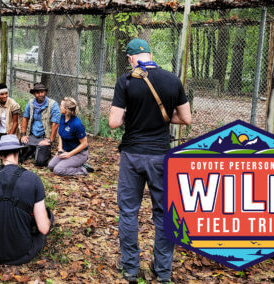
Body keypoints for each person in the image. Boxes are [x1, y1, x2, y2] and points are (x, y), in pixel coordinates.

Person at [109, 38, 191, 283]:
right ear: (150, 55)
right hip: (161, 156)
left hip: (133, 155)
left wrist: (130, 114)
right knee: (165, 213)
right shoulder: (172, 80)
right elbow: (185, 118)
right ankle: (163, 271)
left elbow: (114, 122)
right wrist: (162, 118)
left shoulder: (125, 81)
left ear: (131, 58)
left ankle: (131, 269)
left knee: (128, 212)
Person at [0, 135, 53, 264]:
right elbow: (44, 229)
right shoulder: (34, 179)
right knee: (48, 216)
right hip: (22, 254)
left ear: (0, 154)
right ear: (19, 151)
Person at [48, 97, 91, 176]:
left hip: (79, 154)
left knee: (58, 170)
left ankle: (83, 169)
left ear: (67, 109)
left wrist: (69, 154)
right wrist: (60, 148)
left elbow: (84, 144)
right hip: (66, 150)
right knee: (51, 166)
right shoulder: (62, 117)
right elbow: (61, 134)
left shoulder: (77, 124)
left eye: (61, 106)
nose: (59, 107)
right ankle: (69, 164)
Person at [20, 82, 60, 166]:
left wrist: (50, 140)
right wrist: (23, 135)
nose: (40, 94)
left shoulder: (53, 104)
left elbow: (55, 123)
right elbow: (25, 118)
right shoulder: (30, 103)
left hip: (44, 137)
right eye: (38, 93)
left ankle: (41, 151)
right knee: (20, 157)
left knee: (40, 162)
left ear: (45, 92)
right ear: (34, 94)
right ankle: (33, 149)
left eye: (42, 92)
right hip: (32, 135)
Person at [0, 83, 20, 149]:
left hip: (10, 132)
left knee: (6, 148)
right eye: (2, 94)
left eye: (6, 93)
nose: (5, 96)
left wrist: (9, 137)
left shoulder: (13, 104)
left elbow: (15, 122)